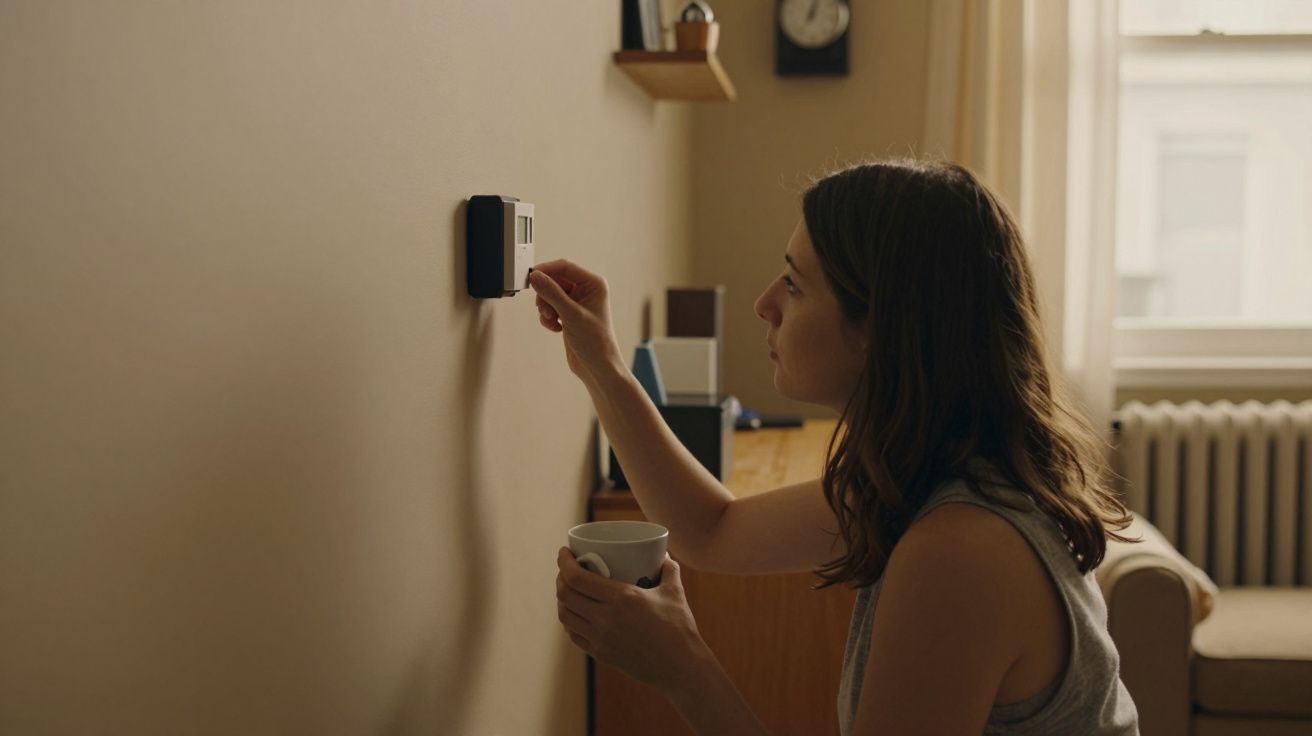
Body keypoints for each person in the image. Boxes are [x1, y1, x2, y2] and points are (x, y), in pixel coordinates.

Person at [530, 158, 1141, 735]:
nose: (764, 304)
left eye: (795, 286)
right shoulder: (924, 475)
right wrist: (603, 365)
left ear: (879, 328)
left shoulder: (961, 551)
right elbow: (711, 531)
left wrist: (681, 667)